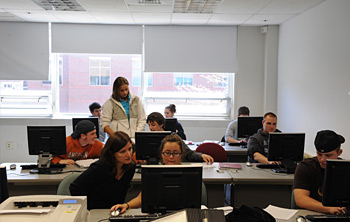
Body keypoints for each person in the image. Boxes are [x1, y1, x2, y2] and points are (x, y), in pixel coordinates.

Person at [110, 134, 195, 213]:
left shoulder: (190, 173)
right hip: (158, 215)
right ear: (161, 154)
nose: (171, 157)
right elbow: (141, 198)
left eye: (175, 153)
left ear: (181, 154)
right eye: (167, 153)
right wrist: (126, 205)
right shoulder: (153, 173)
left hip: (184, 214)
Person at [70, 131, 141, 210]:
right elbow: (75, 187)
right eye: (122, 152)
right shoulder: (100, 167)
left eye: (130, 149)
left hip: (114, 210)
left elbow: (121, 195)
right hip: (94, 211)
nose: (128, 154)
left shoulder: (130, 166)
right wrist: (85, 208)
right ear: (112, 153)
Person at [293, 130, 346, 215]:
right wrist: (329, 209)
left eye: (328, 155)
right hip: (311, 214)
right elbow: (300, 199)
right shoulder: (306, 167)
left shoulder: (344, 169)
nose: (322, 159)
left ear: (339, 153)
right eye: (319, 154)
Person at [147, 112, 214, 164]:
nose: (150, 128)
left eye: (153, 125)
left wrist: (201, 156)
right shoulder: (146, 137)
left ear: (161, 124)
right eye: (149, 125)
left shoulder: (172, 137)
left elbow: (189, 153)